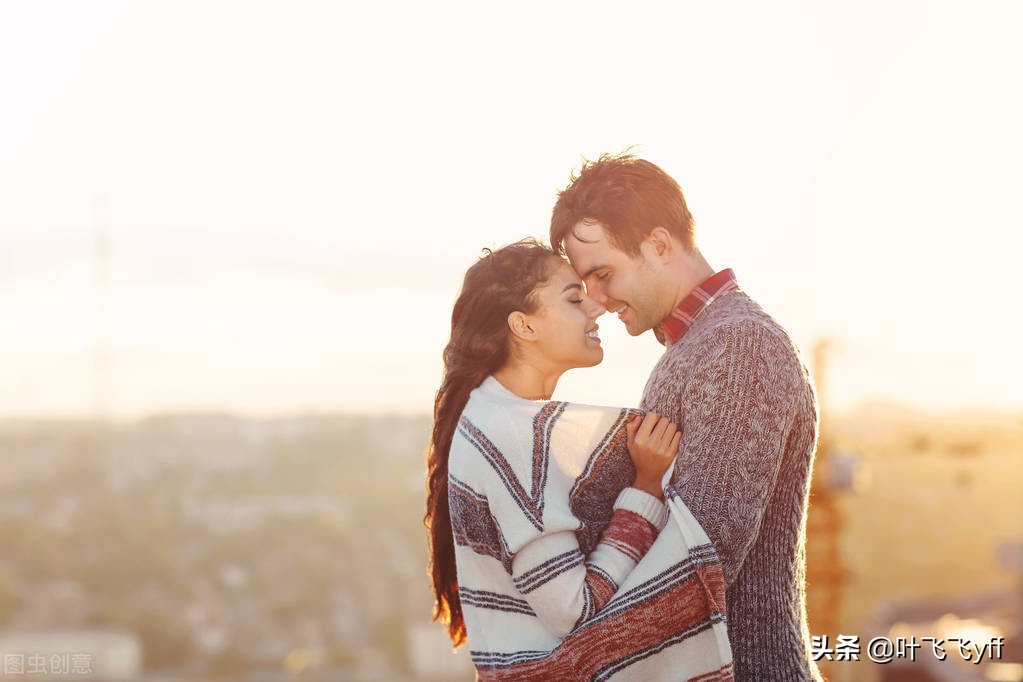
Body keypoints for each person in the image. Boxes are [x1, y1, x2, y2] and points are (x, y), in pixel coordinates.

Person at [550, 152, 822, 682]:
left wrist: (560, 659)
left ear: (659, 244)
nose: (598, 301)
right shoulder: (697, 347)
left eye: (604, 275)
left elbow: (700, 570)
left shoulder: (741, 347)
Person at [424, 239, 733, 681]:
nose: (597, 308)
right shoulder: (513, 436)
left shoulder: (488, 415)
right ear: (523, 326)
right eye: (574, 299)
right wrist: (645, 488)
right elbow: (572, 611)